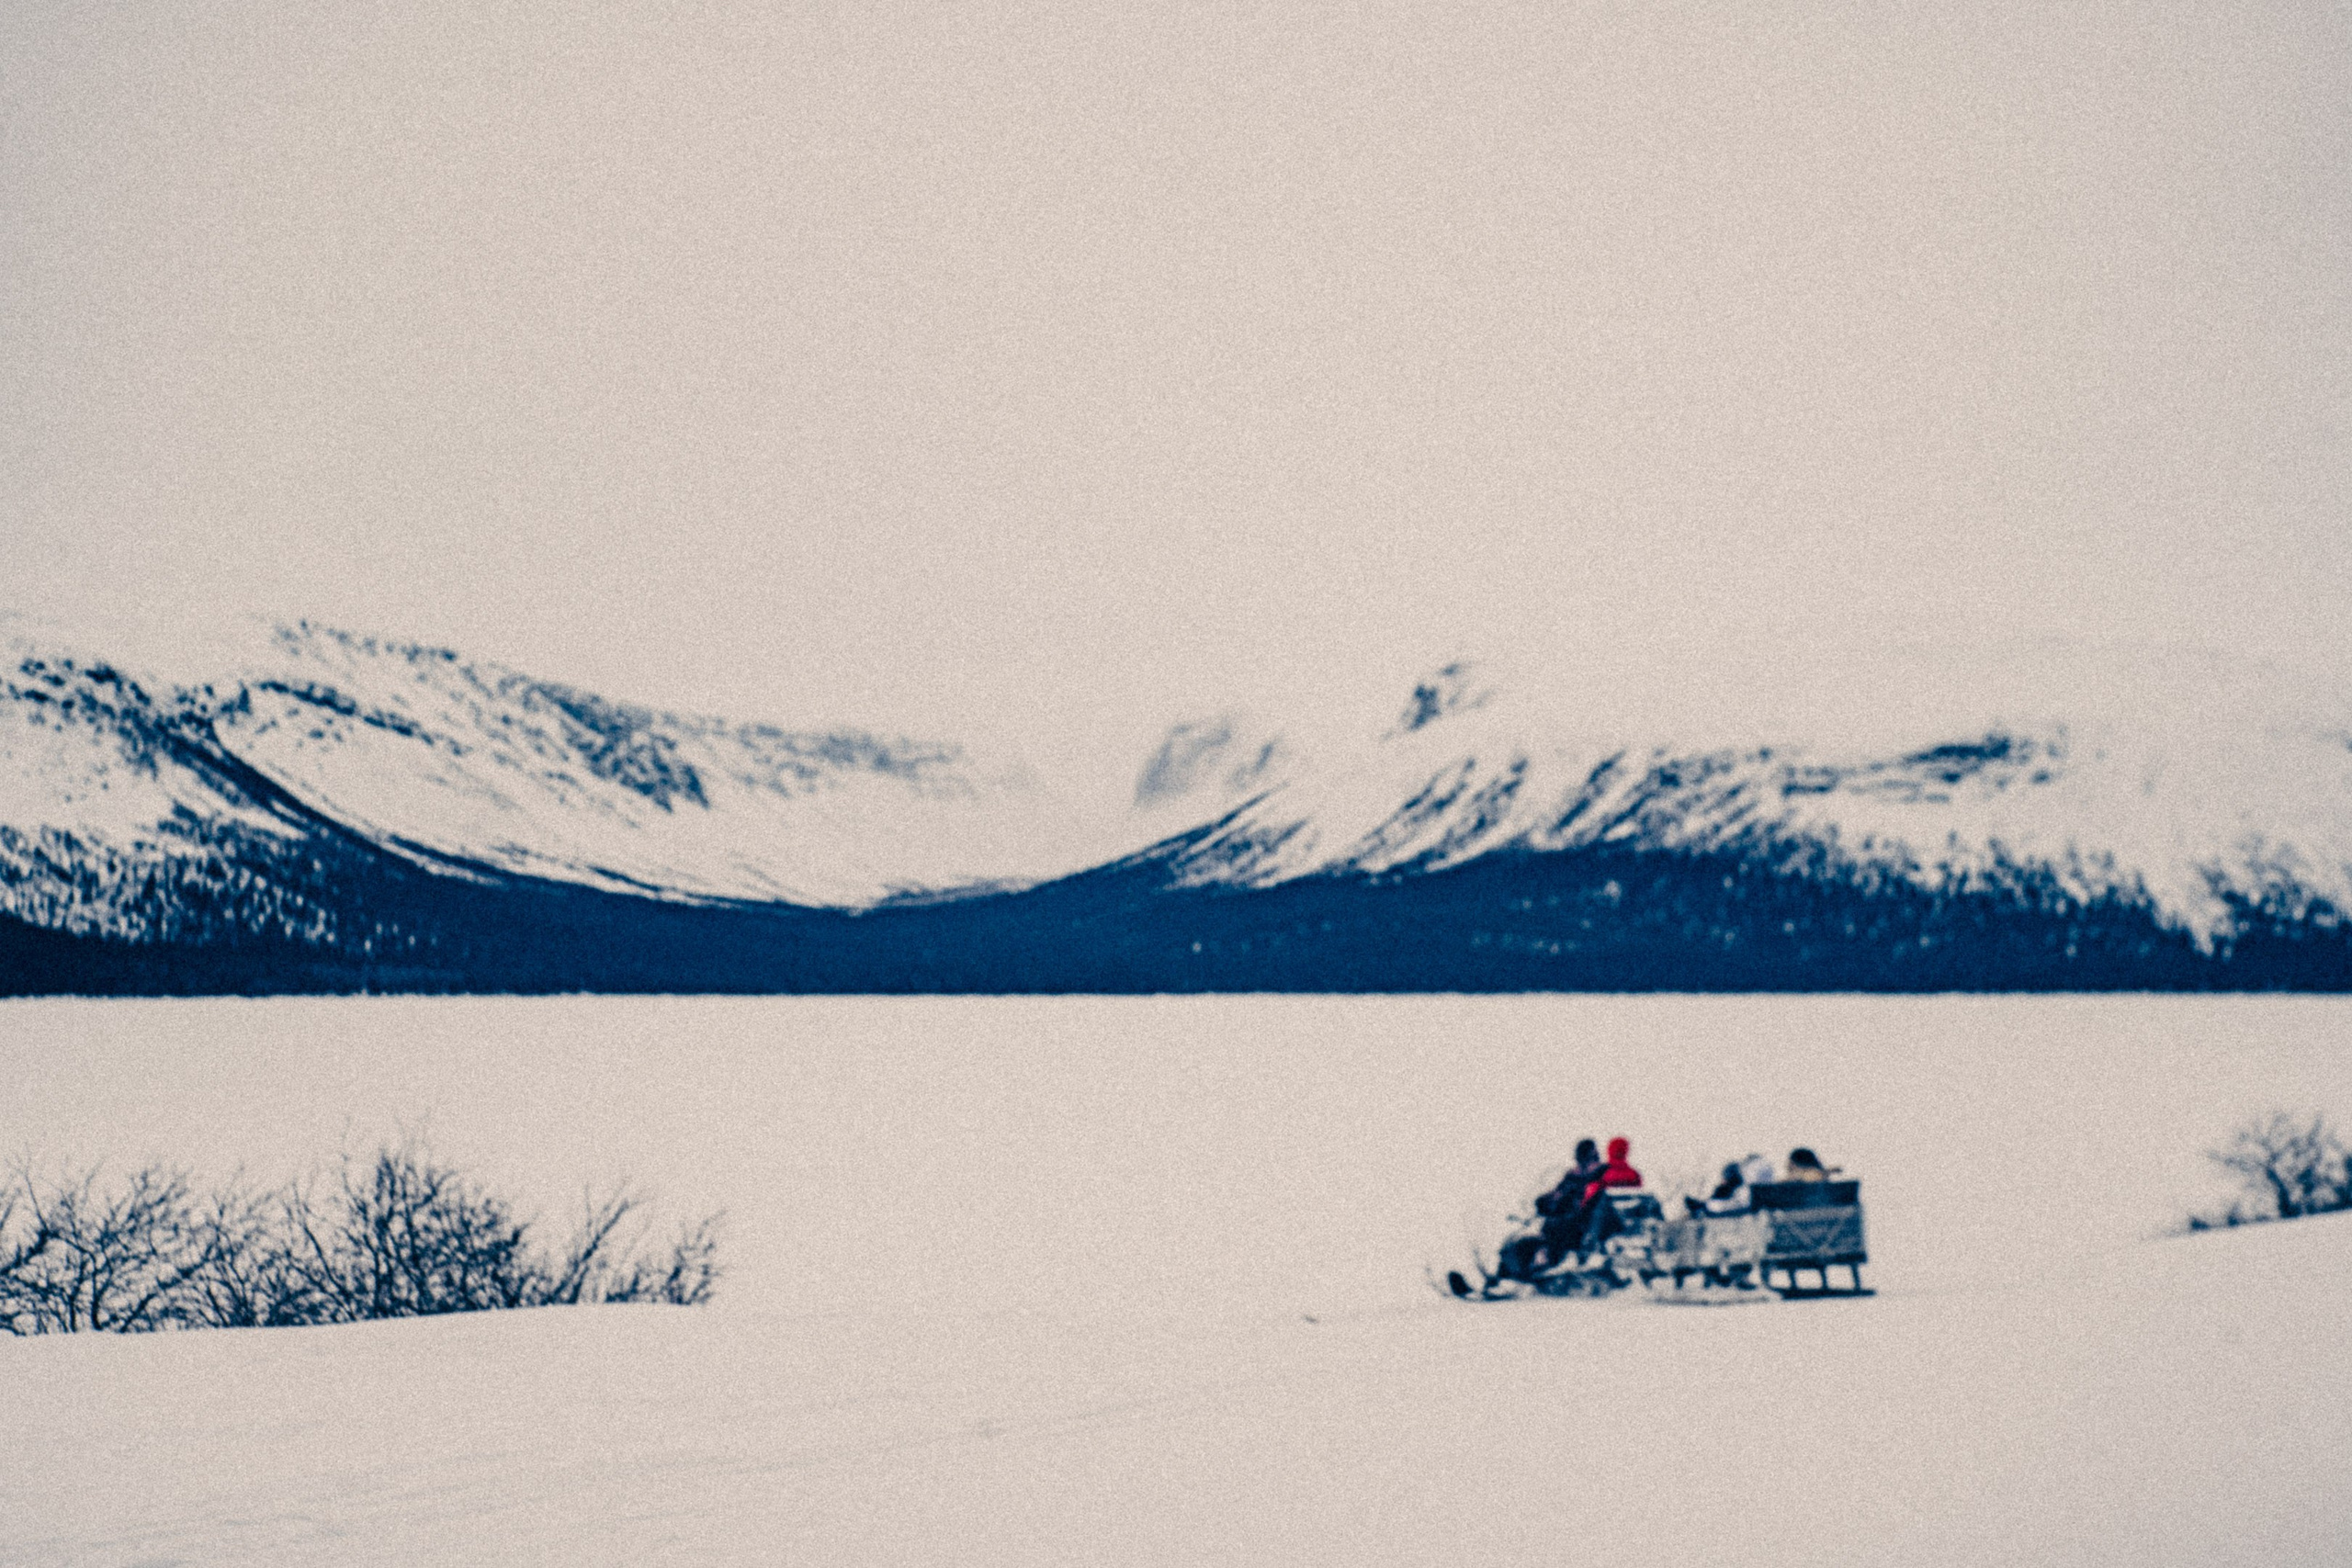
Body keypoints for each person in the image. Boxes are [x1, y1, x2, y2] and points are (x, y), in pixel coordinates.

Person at [1533, 1139, 1604, 1267]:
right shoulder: (1573, 1175)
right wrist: (1546, 1200)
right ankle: (1545, 1259)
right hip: (1575, 1215)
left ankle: (1553, 1261)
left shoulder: (1599, 1175)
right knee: (1551, 1224)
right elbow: (1559, 1192)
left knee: (1556, 1227)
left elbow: (1593, 1200)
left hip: (1588, 1219)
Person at [1577, 1135, 1644, 1254]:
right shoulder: (1634, 1174)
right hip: (1628, 1219)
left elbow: (1590, 1195)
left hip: (1605, 1222)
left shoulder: (1603, 1172)